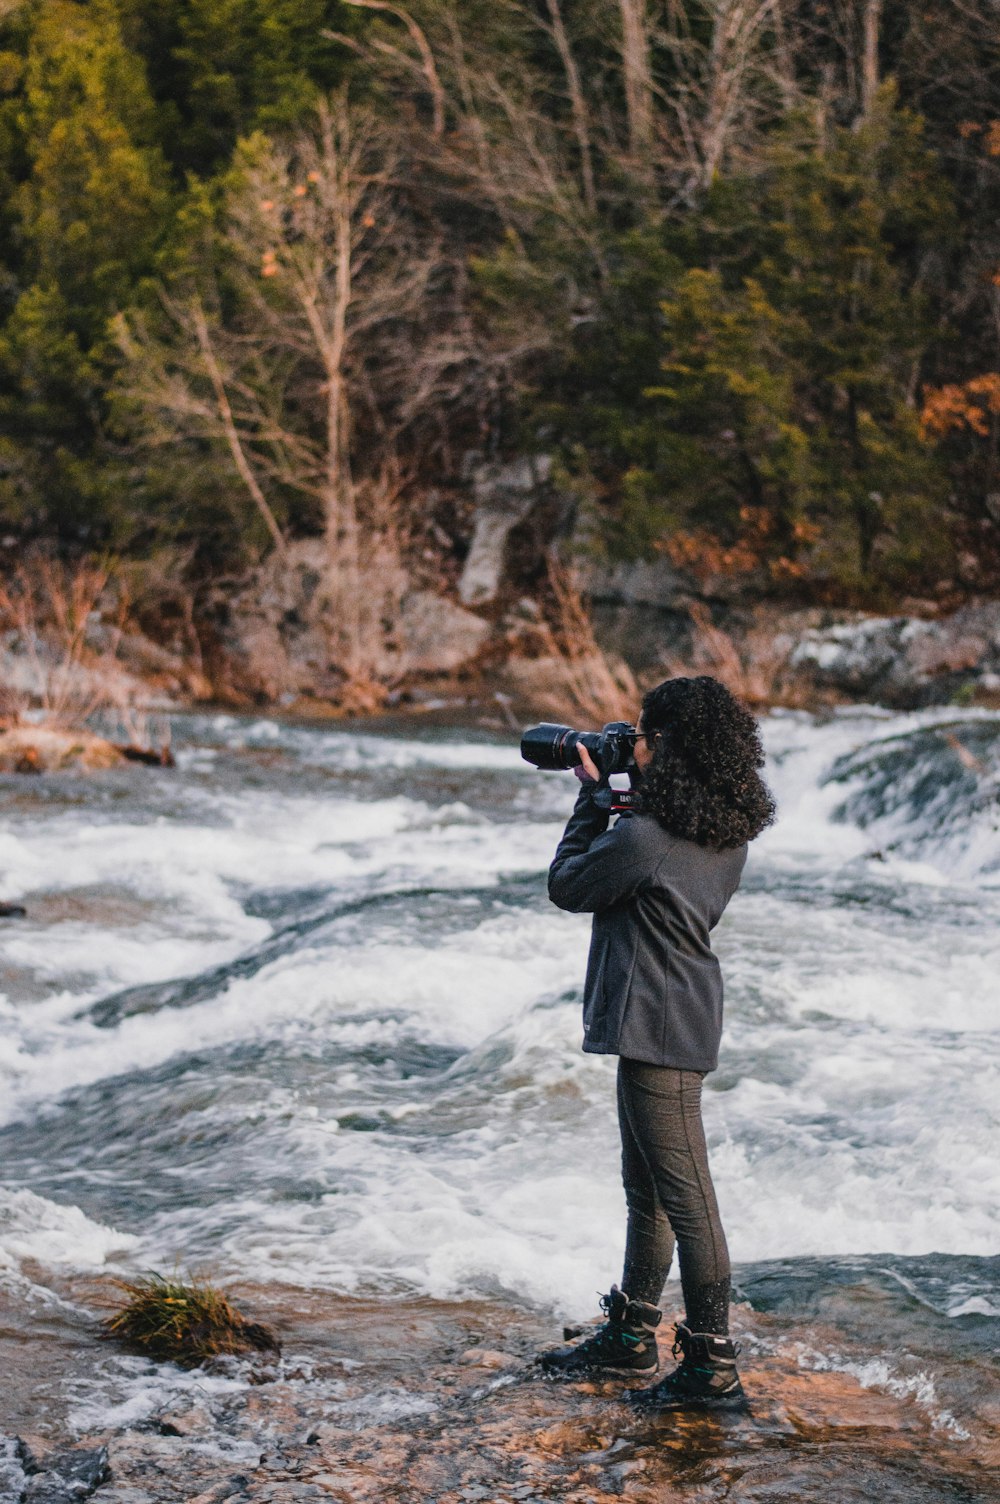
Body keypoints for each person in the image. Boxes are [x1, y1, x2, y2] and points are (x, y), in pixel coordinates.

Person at [538, 675, 775, 1410]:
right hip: (673, 1015)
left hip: (657, 1026)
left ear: (667, 746)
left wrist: (590, 797)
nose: (630, 743)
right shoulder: (718, 829)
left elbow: (568, 884)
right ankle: (633, 1333)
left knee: (687, 1200)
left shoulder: (644, 837)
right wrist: (625, 790)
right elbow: (652, 857)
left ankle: (712, 1367)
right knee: (650, 1191)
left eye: (640, 734)